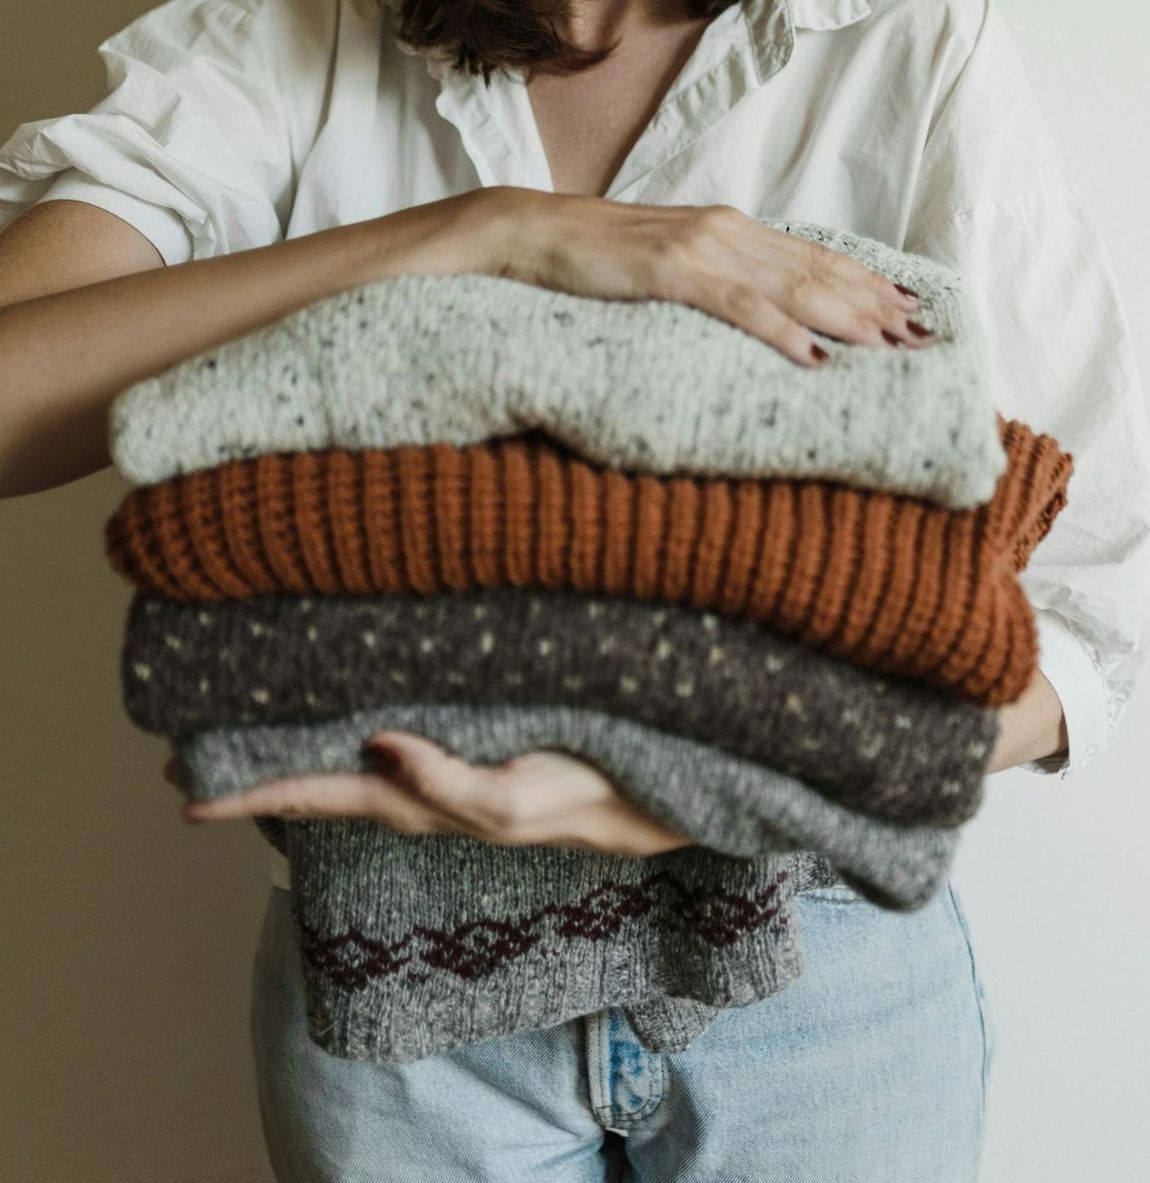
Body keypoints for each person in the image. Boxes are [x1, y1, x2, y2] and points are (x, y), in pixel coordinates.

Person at [1, 0, 1147, 1178]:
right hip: (390, 966)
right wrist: (486, 236)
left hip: (817, 956)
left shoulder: (896, 33)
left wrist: (714, 785)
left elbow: (1087, 603)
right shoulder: (288, 30)